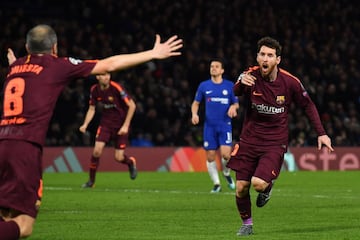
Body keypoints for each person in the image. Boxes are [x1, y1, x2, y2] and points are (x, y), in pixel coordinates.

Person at [0, 24, 182, 239]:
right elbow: (109, 64)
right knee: (24, 225)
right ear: (55, 47)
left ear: (27, 47)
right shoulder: (57, 65)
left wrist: (15, 64)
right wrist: (152, 53)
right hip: (24, 149)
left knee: (6, 215)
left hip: (3, 142)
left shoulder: (16, 67)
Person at [227, 36, 334, 236]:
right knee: (241, 187)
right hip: (249, 140)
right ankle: (247, 224)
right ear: (257, 57)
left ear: (278, 59)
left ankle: (268, 188)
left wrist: (322, 133)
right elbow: (236, 90)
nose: (265, 59)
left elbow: (308, 105)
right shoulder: (250, 75)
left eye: (269, 55)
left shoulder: (290, 82)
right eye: (262, 54)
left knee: (258, 184)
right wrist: (241, 82)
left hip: (274, 142)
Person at [80, 72, 137, 188]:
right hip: (106, 124)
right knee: (96, 151)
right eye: (103, 75)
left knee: (119, 157)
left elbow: (132, 106)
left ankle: (131, 162)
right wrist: (85, 124)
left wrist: (126, 126)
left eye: (108, 75)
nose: (106, 77)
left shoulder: (116, 88)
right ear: (97, 77)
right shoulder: (94, 90)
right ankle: (91, 181)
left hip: (120, 125)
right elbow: (92, 109)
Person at [191, 59, 239, 193]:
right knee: (210, 156)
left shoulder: (229, 86)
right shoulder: (204, 86)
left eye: (217, 66)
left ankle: (226, 173)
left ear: (222, 70)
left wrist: (233, 107)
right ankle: (217, 184)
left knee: (226, 156)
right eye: (212, 66)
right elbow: (196, 103)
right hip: (209, 127)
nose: (213, 68)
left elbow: (236, 103)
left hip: (225, 125)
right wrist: (194, 114)